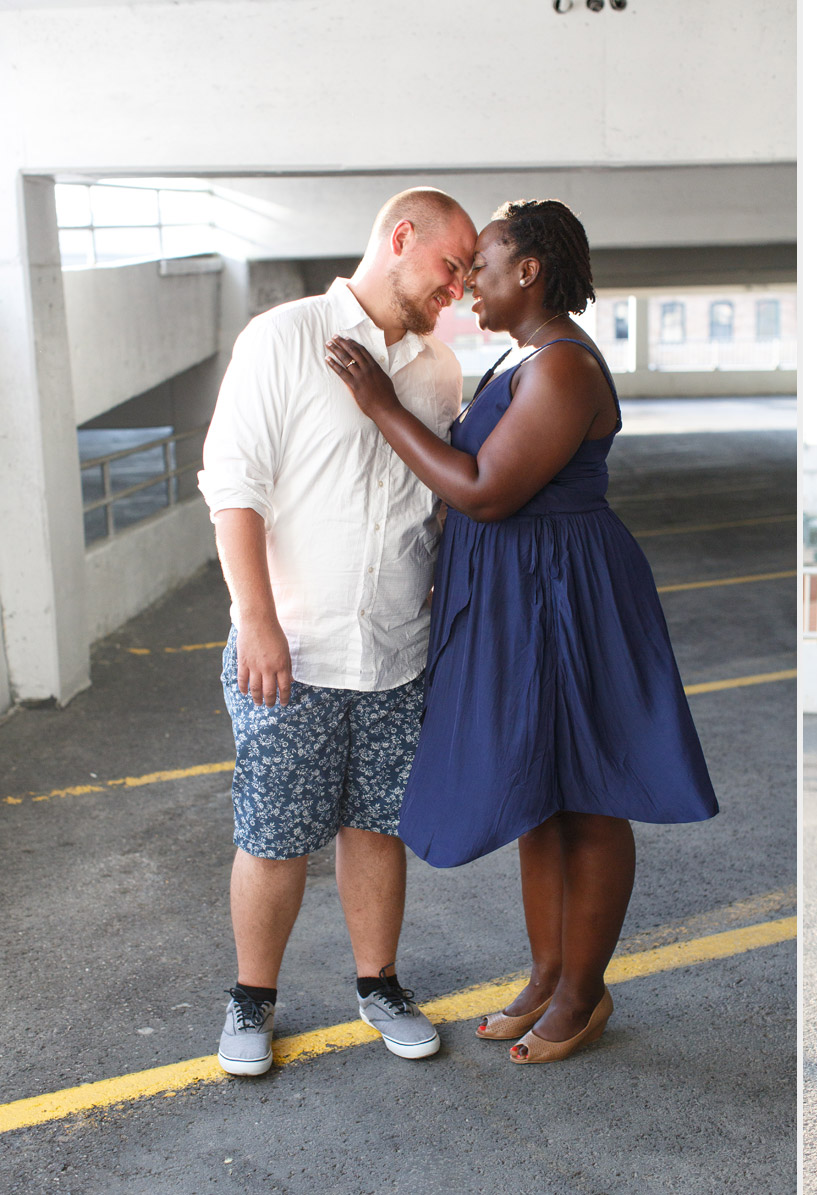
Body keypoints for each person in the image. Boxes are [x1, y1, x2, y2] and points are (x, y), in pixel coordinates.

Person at [325, 198, 718, 1065]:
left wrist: (379, 402)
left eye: (485, 265)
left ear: (529, 271)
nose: (468, 284)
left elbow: (487, 490)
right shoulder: (520, 357)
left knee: (591, 794)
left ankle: (584, 990)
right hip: (519, 590)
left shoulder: (567, 367)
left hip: (568, 593)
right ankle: (548, 974)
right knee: (539, 794)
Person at [197, 187, 480, 1076]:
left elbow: (433, 505)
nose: (460, 290)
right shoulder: (282, 339)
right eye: (451, 267)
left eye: (470, 275)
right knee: (275, 834)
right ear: (401, 239)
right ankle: (252, 1001)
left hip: (397, 654)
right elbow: (231, 486)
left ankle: (379, 984)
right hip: (292, 653)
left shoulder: (438, 371)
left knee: (377, 828)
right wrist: (257, 619)